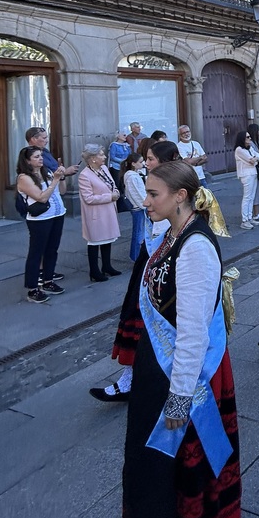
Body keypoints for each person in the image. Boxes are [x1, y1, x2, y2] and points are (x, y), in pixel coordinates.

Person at [119, 161, 241, 518]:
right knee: (185, 467)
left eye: (152, 193)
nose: (144, 201)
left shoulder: (194, 249)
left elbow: (191, 335)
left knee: (171, 469)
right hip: (166, 371)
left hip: (185, 378)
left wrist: (177, 402)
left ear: (181, 195)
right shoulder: (173, 233)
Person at [90, 140, 183, 402]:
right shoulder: (151, 180)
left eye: (151, 158)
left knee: (165, 319)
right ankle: (130, 377)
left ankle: (165, 375)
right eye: (147, 158)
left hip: (169, 257)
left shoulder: (179, 186)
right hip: (150, 253)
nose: (147, 162)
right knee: (137, 310)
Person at [16, 147, 67, 302]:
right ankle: (32, 289)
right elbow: (41, 198)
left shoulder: (47, 172)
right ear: (27, 160)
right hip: (40, 219)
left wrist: (61, 177)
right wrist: (56, 180)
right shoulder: (24, 178)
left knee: (52, 250)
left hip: (57, 214)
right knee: (36, 253)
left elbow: (62, 192)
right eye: (36, 156)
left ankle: (48, 281)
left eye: (41, 156)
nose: (40, 159)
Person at [78, 144, 122, 282]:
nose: (104, 157)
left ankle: (107, 266)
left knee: (107, 239)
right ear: (92, 158)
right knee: (95, 242)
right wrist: (110, 197)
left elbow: (111, 183)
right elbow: (88, 198)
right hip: (96, 214)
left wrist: (115, 191)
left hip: (108, 211)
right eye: (101, 155)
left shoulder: (103, 168)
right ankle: (94, 271)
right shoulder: (84, 176)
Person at [234, 131, 259, 230]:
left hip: (253, 173)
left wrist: (255, 159)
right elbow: (251, 161)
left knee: (251, 196)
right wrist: (255, 159)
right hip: (246, 175)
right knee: (247, 197)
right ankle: (245, 220)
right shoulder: (239, 150)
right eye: (248, 137)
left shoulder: (250, 148)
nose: (250, 139)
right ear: (242, 138)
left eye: (250, 137)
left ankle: (249, 217)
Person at [121, 151, 148, 261]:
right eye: (140, 162)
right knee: (138, 233)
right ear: (133, 163)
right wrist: (145, 206)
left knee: (140, 232)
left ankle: (136, 255)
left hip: (139, 207)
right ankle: (135, 257)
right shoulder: (132, 177)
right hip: (138, 208)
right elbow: (136, 193)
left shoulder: (135, 174)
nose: (143, 163)